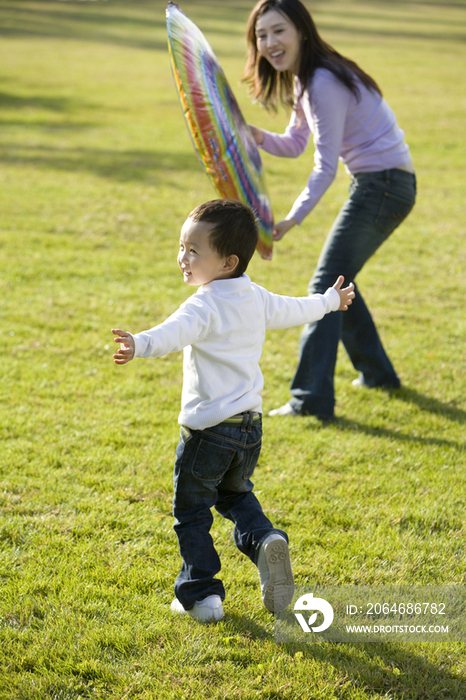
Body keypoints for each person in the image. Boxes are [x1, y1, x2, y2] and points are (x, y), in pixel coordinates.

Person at [112, 199, 355, 623]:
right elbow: (296, 308)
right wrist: (330, 301)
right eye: (182, 246)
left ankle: (202, 595)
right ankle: (265, 541)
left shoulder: (204, 305)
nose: (182, 258)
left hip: (206, 432)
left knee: (191, 512)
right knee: (235, 495)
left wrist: (139, 343)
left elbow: (172, 334)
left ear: (227, 262)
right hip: (249, 429)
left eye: (193, 250)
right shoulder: (255, 296)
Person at [243, 0, 416, 420]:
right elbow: (296, 143)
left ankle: (310, 399)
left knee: (325, 283)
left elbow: (324, 165)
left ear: (302, 29)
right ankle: (378, 374)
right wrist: (254, 135)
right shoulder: (308, 80)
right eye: (261, 35)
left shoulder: (322, 82)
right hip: (383, 183)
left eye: (278, 31)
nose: (269, 43)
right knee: (340, 280)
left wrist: (292, 218)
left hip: (385, 186)